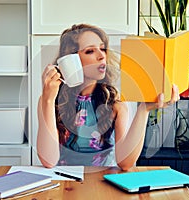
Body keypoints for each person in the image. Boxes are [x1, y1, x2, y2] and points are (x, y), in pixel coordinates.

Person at [37, 24, 179, 171]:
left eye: (103, 48)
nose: (101, 56)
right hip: (64, 183)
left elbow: (125, 163)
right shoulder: (50, 101)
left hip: (103, 184)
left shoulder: (115, 104)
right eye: (90, 51)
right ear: (70, 61)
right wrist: (47, 101)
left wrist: (144, 109)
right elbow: (49, 161)